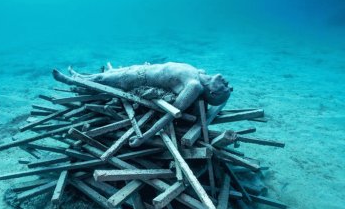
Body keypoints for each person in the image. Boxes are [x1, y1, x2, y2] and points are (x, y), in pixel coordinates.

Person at [71, 62, 232, 147]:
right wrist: (224, 99)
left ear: (213, 93)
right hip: (146, 69)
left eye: (224, 88)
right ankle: (80, 78)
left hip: (142, 78)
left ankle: (74, 79)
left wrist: (143, 137)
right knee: (111, 74)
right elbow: (221, 103)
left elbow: (171, 113)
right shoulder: (201, 73)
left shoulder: (194, 86)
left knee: (104, 80)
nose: (227, 83)